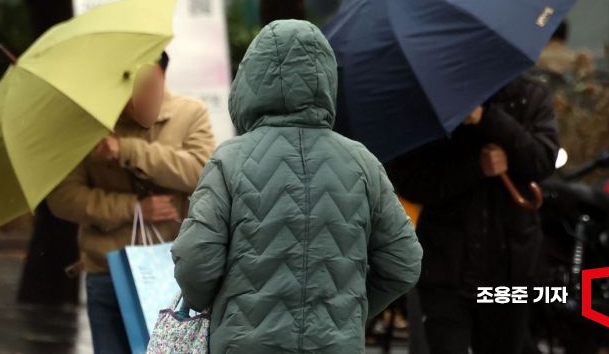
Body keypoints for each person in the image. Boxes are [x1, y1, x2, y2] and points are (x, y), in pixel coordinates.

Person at [171, 19, 423, 353]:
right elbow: (404, 262)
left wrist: (218, 307)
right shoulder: (363, 164)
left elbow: (196, 259)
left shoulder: (229, 161)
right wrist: (349, 313)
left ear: (251, 79)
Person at [47, 52, 215, 354]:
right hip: (108, 272)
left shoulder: (190, 114)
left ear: (162, 77)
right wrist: (134, 209)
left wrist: (128, 151)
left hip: (174, 275)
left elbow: (203, 172)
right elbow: (63, 198)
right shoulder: (88, 125)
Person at [385, 74, 559, 354]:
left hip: (510, 266)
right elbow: (409, 180)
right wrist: (476, 168)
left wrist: (488, 118)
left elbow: (542, 160)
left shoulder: (529, 94)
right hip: (446, 269)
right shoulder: (428, 100)